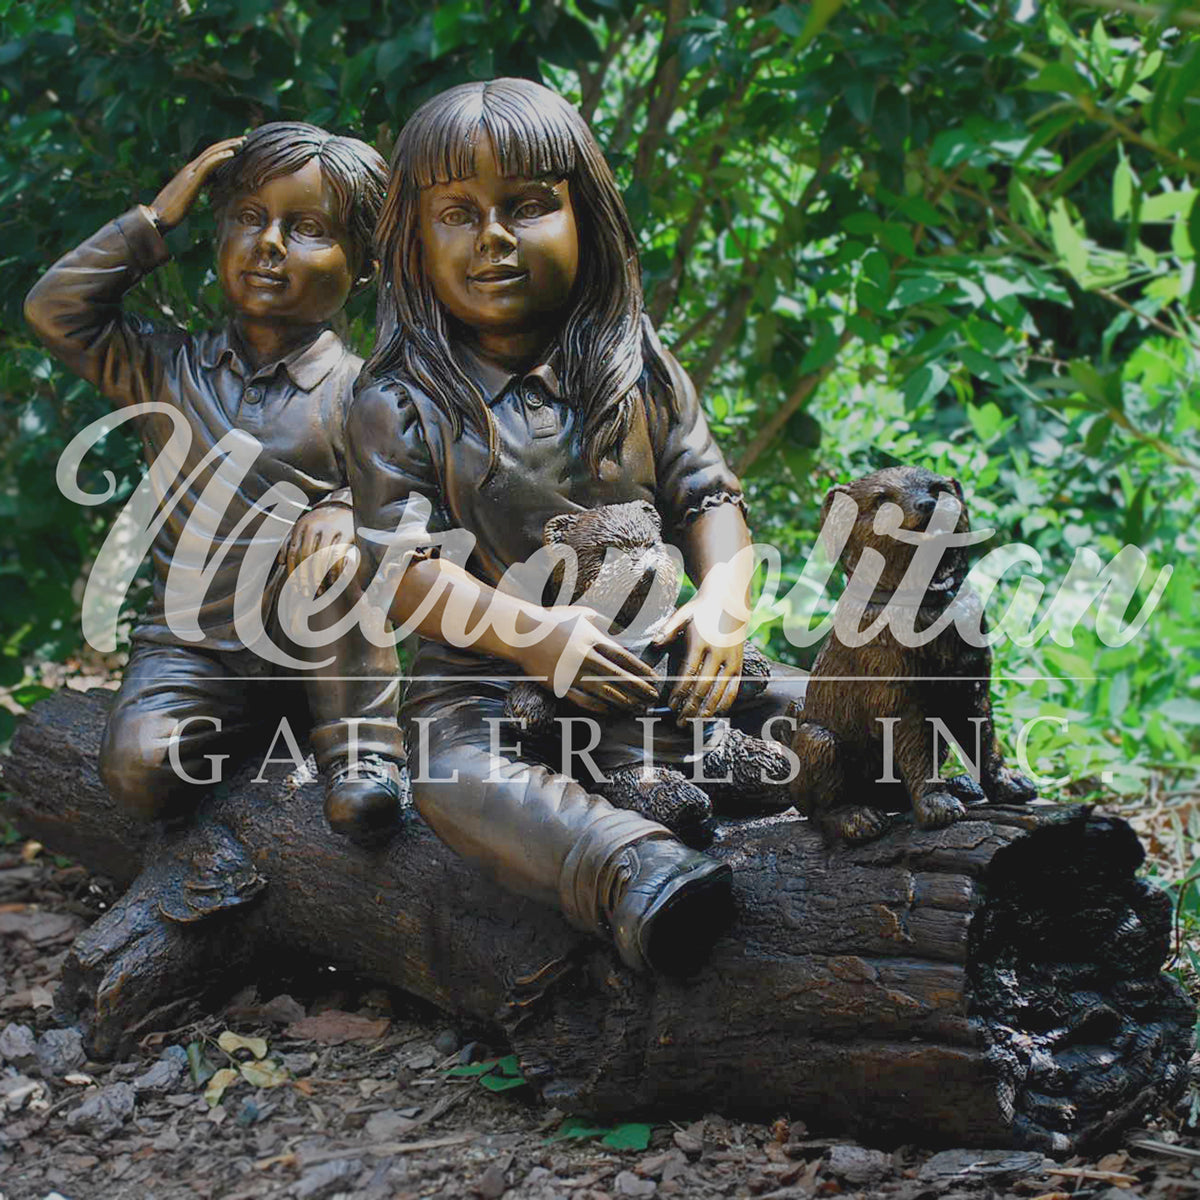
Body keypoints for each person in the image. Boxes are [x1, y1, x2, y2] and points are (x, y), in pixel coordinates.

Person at [346, 79, 803, 972]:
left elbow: (709, 495)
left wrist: (723, 599)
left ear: (585, 216)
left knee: (814, 703)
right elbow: (401, 569)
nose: (493, 238)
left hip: (657, 657)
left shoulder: (638, 365)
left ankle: (903, 770)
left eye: (528, 207)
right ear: (413, 239)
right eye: (457, 213)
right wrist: (533, 638)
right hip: (487, 681)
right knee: (451, 779)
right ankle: (631, 867)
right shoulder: (397, 403)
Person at [24, 122, 406, 841]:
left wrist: (351, 506)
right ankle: (257, 735)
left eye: (307, 229)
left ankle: (362, 750)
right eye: (249, 219)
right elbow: (54, 311)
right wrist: (156, 218)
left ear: (362, 268)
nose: (268, 244)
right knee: (139, 771)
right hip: (190, 645)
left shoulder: (368, 392)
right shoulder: (165, 370)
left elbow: (421, 496)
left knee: (341, 550)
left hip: (317, 646)